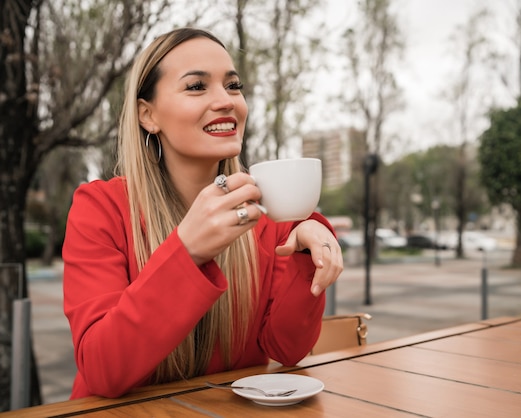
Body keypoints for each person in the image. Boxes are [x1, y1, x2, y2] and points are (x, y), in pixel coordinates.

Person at [62, 27, 343, 399]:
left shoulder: (263, 212)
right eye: (197, 86)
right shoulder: (102, 208)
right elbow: (102, 370)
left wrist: (307, 252)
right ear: (148, 115)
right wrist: (187, 251)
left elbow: (286, 350)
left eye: (233, 85)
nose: (226, 101)